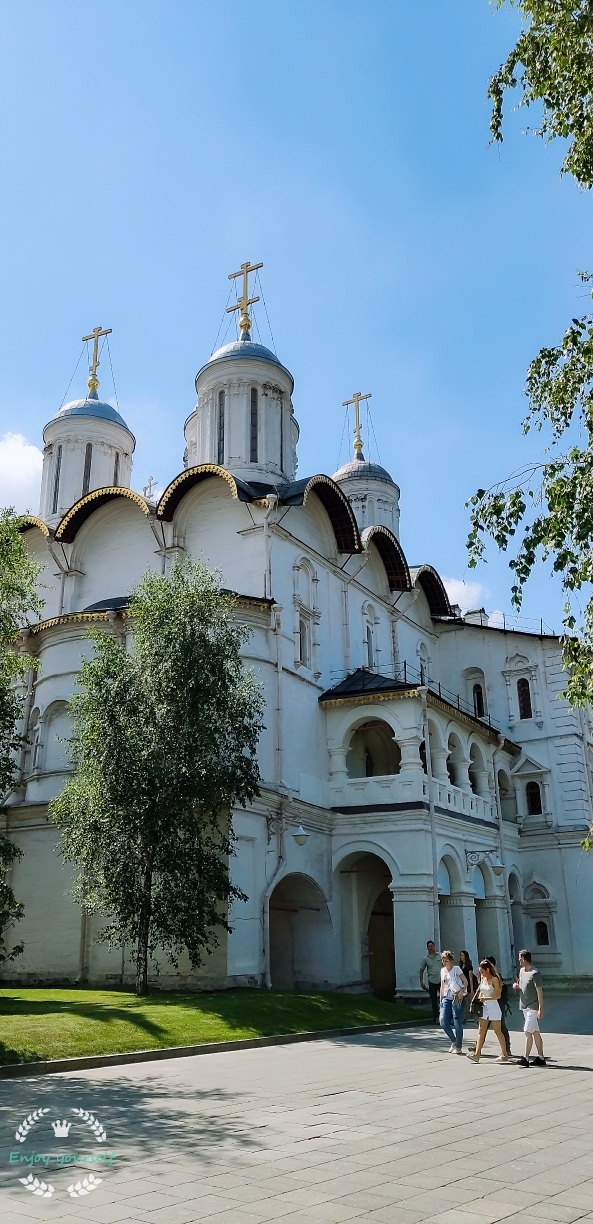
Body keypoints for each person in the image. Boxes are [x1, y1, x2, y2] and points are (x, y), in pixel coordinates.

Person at [466, 959, 512, 1063]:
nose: (481, 974)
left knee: (497, 1031)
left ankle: (504, 1054)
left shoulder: (494, 979)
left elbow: (498, 995)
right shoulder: (483, 978)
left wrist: (486, 998)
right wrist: (479, 998)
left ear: (487, 970)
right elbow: (481, 991)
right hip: (484, 1007)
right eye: (480, 972)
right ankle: (477, 1054)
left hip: (494, 1007)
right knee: (481, 1031)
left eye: (482, 972)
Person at [513, 949, 545, 1067]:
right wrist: (516, 986)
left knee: (527, 1031)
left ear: (524, 959)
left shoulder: (535, 973)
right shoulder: (522, 971)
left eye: (520, 958)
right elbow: (521, 984)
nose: (518, 960)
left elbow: (539, 992)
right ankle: (541, 1058)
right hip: (524, 1006)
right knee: (535, 1032)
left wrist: (540, 1008)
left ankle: (525, 1058)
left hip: (533, 1006)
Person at [439, 950, 467, 1053]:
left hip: (457, 997)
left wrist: (462, 991)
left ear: (451, 961)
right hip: (446, 998)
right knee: (443, 1020)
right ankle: (454, 1041)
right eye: (443, 960)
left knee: (457, 1021)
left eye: (446, 960)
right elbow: (442, 986)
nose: (444, 962)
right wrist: (441, 999)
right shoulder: (442, 971)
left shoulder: (456, 969)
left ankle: (458, 1046)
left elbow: (465, 982)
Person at [419, 940, 442, 1023]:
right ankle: (436, 1017)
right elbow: (421, 970)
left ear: (434, 947)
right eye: (429, 946)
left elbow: (446, 965)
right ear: (427, 948)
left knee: (444, 999)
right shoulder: (426, 959)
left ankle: (444, 1016)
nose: (430, 948)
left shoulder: (440, 956)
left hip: (441, 981)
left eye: (432, 946)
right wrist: (421, 982)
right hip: (432, 981)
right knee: (433, 1000)